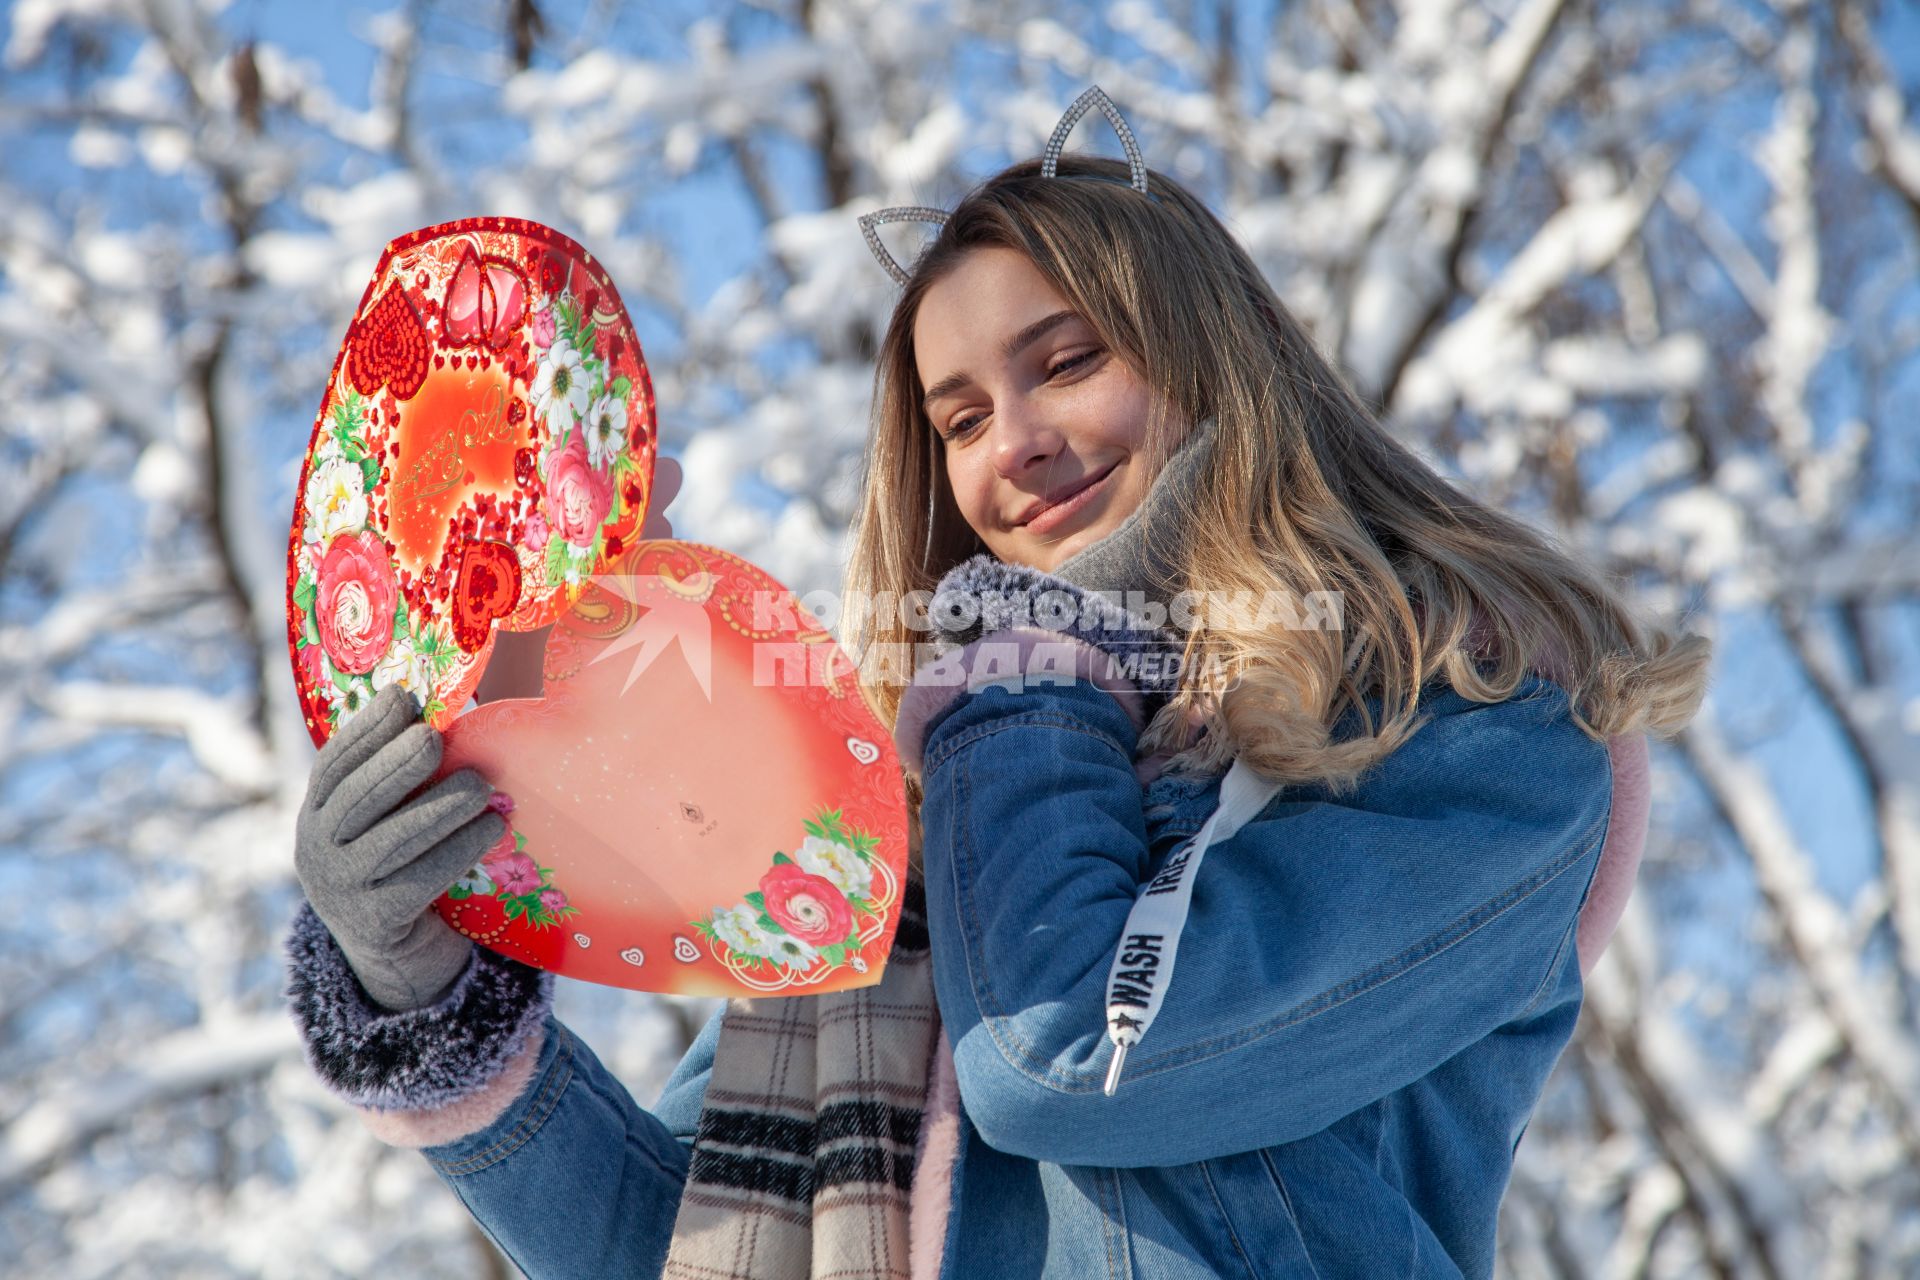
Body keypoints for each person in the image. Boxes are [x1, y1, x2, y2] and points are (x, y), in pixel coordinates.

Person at [283, 89, 1708, 1280]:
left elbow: (1071, 1052)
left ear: (1217, 363)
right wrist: (425, 999)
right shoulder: (922, 816)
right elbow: (674, 1238)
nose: (1010, 444)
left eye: (1067, 361)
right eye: (958, 418)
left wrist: (1032, 674)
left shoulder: (1471, 722)